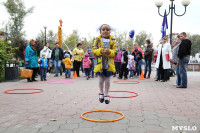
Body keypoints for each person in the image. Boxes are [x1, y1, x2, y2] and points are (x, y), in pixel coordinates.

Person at [92, 24, 116, 104]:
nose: (105, 31)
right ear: (100, 31)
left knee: (108, 80)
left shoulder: (113, 40)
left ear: (110, 31)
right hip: (100, 63)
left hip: (108, 63)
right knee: (101, 79)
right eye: (103, 29)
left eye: (107, 29)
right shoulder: (97, 40)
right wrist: (100, 51)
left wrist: (110, 52)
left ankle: (106, 95)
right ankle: (101, 93)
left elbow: (115, 51)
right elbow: (94, 50)